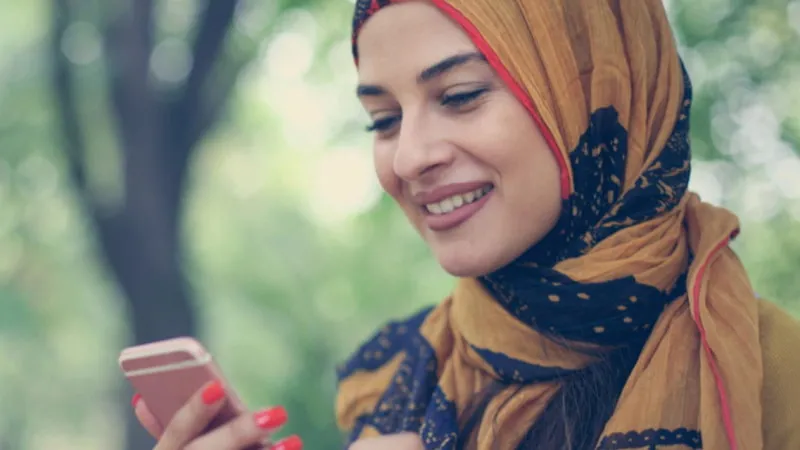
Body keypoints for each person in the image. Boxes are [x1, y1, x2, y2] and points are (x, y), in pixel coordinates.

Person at [130, 0, 800, 449]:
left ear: (595, 88)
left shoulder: (773, 373)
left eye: (460, 96)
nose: (410, 157)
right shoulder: (391, 383)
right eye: (384, 120)